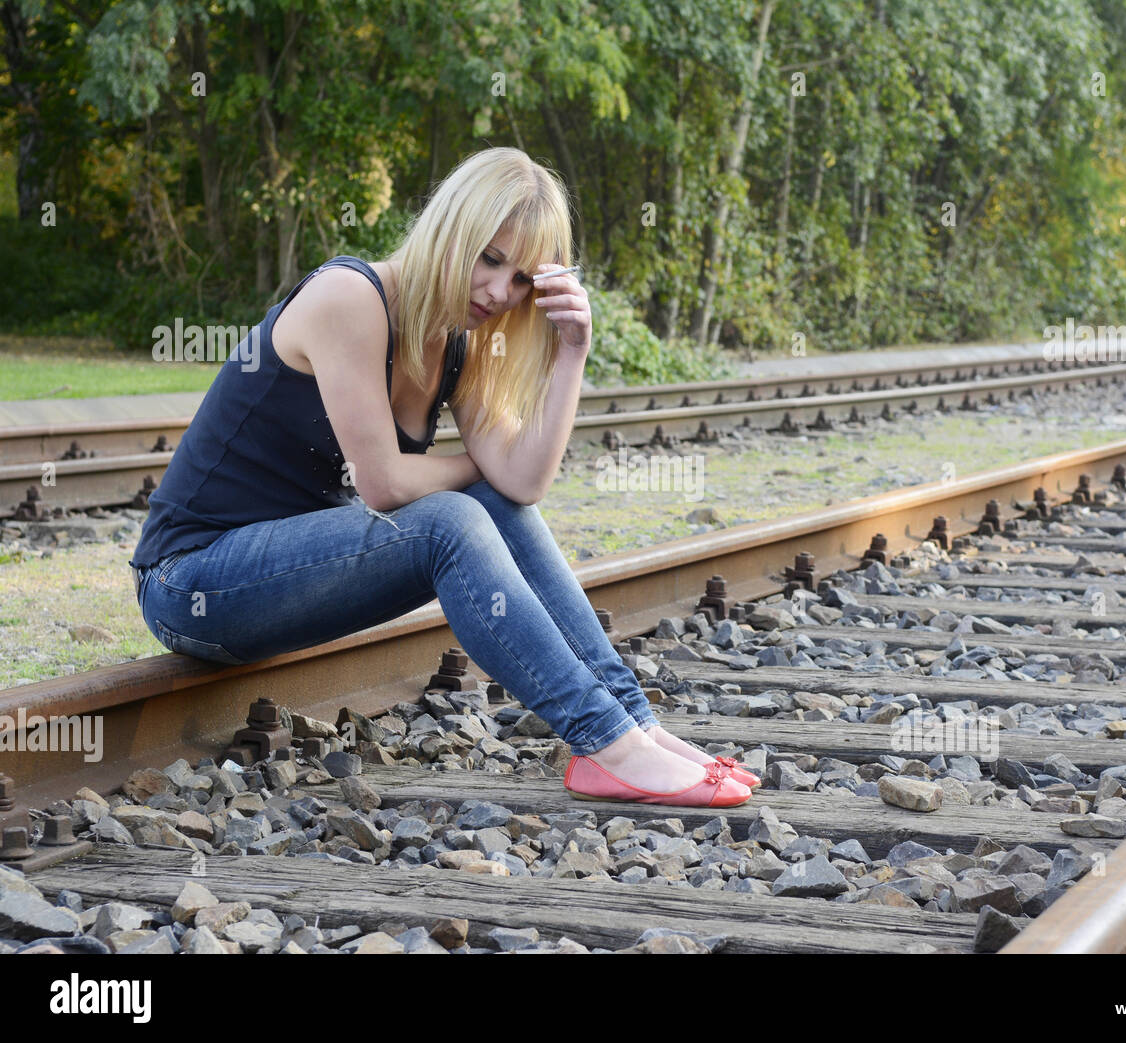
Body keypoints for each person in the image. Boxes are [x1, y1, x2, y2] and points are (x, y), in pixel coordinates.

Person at [128, 147, 755, 808]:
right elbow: (385, 484)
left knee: (484, 498)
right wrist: (480, 473)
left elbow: (523, 483)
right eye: (489, 259)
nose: (498, 292)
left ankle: (634, 725)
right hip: (191, 579)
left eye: (520, 280)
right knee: (455, 516)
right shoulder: (350, 297)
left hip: (281, 574)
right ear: (451, 228)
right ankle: (608, 743)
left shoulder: (459, 341)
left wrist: (573, 352)